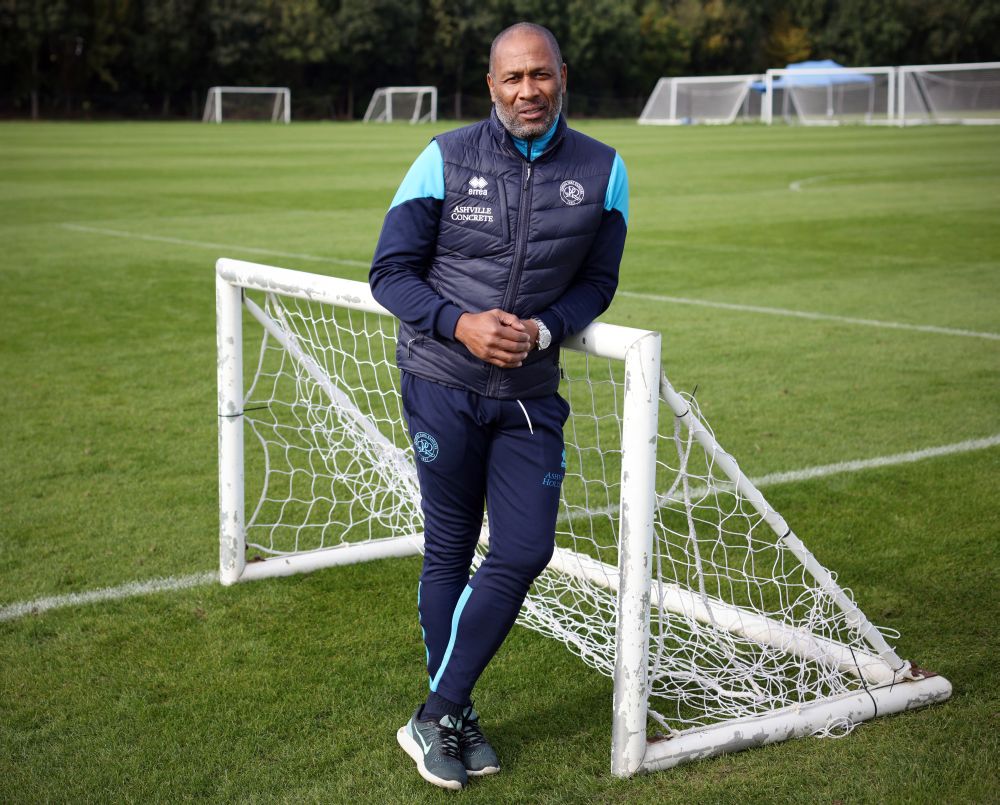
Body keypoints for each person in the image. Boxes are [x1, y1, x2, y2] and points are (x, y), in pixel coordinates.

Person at [369, 21, 629, 790]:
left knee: (523, 549)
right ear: (491, 87)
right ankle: (456, 714)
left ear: (561, 76)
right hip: (440, 383)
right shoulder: (443, 158)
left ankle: (436, 710)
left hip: (527, 397)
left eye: (539, 75)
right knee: (450, 547)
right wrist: (462, 323)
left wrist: (546, 328)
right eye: (512, 78)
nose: (527, 90)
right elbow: (389, 272)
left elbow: (599, 282)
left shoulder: (604, 169)